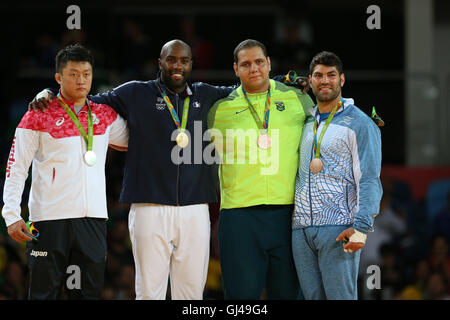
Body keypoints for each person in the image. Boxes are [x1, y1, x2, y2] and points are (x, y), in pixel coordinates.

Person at [29, 39, 308, 300]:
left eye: (184, 60)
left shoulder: (206, 95)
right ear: (159, 62)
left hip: (196, 208)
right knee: (150, 292)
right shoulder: (135, 92)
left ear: (191, 64)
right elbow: (87, 102)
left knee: (191, 294)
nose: (178, 66)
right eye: (171, 60)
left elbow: (248, 87)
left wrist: (286, 81)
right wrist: (49, 94)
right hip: (149, 207)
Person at [2, 44, 129, 299]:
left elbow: (139, 138)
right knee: (42, 294)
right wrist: (12, 214)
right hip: (49, 219)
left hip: (92, 220)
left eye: (86, 74)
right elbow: (16, 166)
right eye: (73, 74)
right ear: (58, 77)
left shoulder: (104, 115)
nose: (81, 80)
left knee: (88, 294)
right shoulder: (37, 114)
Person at [207, 39, 314, 299]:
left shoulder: (297, 98)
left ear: (268, 64)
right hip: (239, 218)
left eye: (258, 62)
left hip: (288, 215)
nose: (253, 68)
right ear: (235, 69)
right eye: (245, 64)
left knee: (288, 294)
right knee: (240, 298)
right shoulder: (219, 109)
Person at [291, 51, 382, 300]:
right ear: (310, 81)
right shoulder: (305, 121)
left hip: (339, 226)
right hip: (301, 229)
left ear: (341, 80)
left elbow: (370, 178)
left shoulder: (360, 123)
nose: (324, 81)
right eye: (318, 76)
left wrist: (361, 228)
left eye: (331, 75)